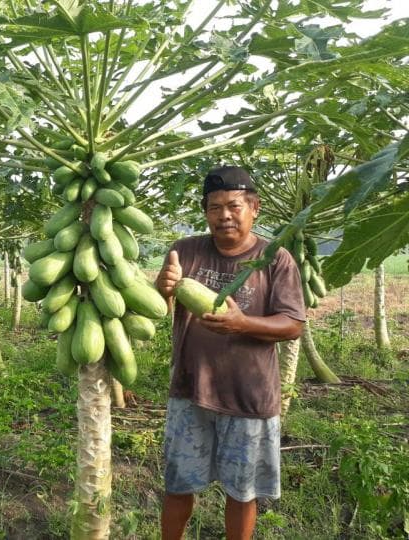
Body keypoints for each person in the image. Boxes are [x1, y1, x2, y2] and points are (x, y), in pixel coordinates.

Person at [155, 165, 306, 540]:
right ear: (206, 212)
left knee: (242, 493)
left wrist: (243, 324)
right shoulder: (184, 250)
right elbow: (159, 308)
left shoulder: (276, 258)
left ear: (254, 208)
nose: (224, 215)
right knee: (177, 485)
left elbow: (292, 324)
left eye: (234, 205)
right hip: (191, 391)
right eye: (214, 207)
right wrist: (162, 287)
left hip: (249, 397)